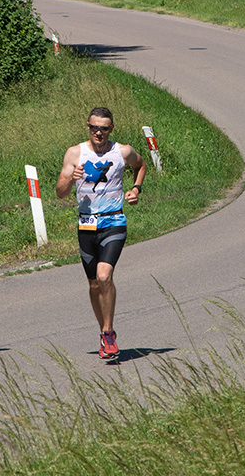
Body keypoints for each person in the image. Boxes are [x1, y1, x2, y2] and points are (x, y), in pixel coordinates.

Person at [54, 107, 147, 361]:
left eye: (104, 128)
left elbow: (140, 165)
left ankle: (108, 333)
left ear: (111, 129)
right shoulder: (75, 153)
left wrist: (136, 190)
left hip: (113, 222)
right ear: (88, 126)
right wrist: (70, 179)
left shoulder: (122, 151)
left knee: (104, 275)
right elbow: (60, 192)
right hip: (86, 226)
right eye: (95, 127)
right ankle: (103, 331)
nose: (99, 133)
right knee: (94, 284)